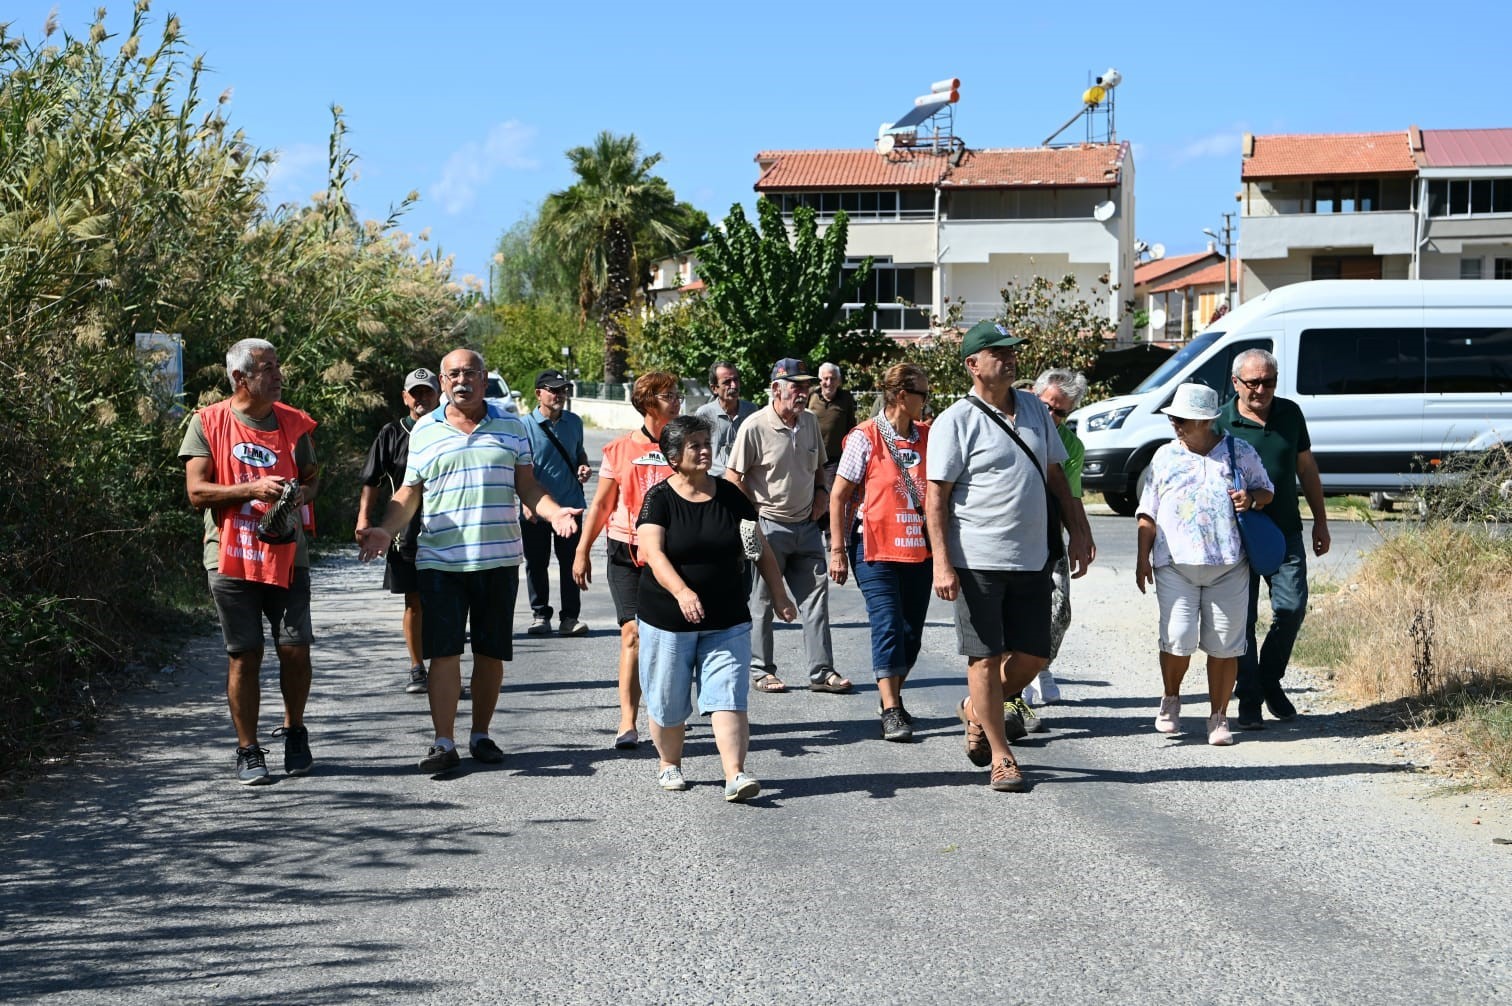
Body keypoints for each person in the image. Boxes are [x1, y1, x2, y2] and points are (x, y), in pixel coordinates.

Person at [357, 349, 582, 774]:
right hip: (440, 560)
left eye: (471, 373)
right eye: (454, 374)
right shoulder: (424, 430)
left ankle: (480, 734)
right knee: (443, 654)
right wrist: (386, 529)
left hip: (498, 559)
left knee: (490, 651)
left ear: (483, 379)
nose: (462, 380)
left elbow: (528, 486)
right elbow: (409, 492)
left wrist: (554, 512)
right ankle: (444, 742)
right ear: (443, 382)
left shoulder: (512, 426)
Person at [925, 321, 1094, 792]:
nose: (1010, 358)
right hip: (977, 558)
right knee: (984, 656)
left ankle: (975, 710)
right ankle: (1002, 755)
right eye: (998, 352)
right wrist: (941, 560)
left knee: (1035, 656)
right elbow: (935, 497)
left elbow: (1057, 476)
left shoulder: (1038, 412)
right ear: (973, 365)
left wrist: (1078, 530)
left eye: (1012, 351)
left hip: (1034, 556)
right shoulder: (955, 420)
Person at [636, 415, 798, 801]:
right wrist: (681, 592)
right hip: (668, 619)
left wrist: (779, 594)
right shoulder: (659, 499)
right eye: (694, 445)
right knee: (669, 700)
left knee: (728, 695)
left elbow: (758, 548)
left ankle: (735, 775)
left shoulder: (730, 495)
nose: (705, 450)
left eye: (706, 443)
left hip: (727, 617)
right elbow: (652, 554)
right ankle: (669, 763)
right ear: (673, 456)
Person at [180, 338, 320, 785]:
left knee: (295, 649)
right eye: (268, 368)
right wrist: (251, 489)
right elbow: (197, 492)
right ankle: (248, 749)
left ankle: (295, 731)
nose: (279, 375)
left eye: (278, 365)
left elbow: (314, 481)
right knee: (245, 655)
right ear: (240, 377)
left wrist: (299, 495)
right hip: (228, 556)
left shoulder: (295, 424)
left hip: (287, 555)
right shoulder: (207, 422)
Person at [1135, 382, 1274, 747]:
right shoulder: (1164, 456)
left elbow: (1267, 489)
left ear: (1207, 421)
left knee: (1226, 645)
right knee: (1178, 638)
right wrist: (1141, 558)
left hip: (1229, 563)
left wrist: (1252, 498)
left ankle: (1218, 716)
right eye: (1174, 418)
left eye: (1184, 419)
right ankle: (1171, 697)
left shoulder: (1238, 451)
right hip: (1175, 563)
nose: (1176, 424)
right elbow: (1147, 511)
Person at [1217, 348, 1331, 729]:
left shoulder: (1290, 413)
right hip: (1236, 537)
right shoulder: (1221, 421)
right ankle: (1249, 696)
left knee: (1292, 607)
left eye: (1269, 381)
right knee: (1243, 619)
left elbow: (1306, 467)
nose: (1261, 389)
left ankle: (1269, 678)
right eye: (1253, 382)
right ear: (1236, 383)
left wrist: (1321, 520)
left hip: (1284, 530)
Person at [725, 357, 849, 695]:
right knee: (763, 600)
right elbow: (732, 478)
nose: (804, 391)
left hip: (806, 526)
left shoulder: (809, 421)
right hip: (769, 526)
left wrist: (822, 493)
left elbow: (820, 466)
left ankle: (821, 672)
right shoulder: (754, 426)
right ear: (776, 389)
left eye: (806, 385)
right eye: (797, 386)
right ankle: (762, 670)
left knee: (816, 599)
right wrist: (754, 513)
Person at [573, 372, 680, 749]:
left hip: (669, 553)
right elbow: (602, 503)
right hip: (625, 550)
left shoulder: (682, 447)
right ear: (649, 402)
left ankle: (665, 714)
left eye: (677, 393)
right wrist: (582, 550)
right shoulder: (618, 450)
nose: (678, 399)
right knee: (632, 633)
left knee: (666, 638)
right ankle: (627, 722)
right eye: (669, 395)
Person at [828, 362, 932, 742]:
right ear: (902, 396)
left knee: (911, 633)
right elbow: (838, 495)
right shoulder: (865, 437)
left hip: (920, 549)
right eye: (923, 393)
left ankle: (894, 696)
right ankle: (890, 708)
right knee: (887, 624)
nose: (927, 400)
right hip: (874, 548)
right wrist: (837, 549)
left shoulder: (927, 435)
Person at [356, 367, 440, 695]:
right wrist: (364, 520)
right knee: (415, 601)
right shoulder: (392, 433)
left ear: (438, 394)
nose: (422, 398)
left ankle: (447, 669)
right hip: (405, 534)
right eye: (415, 393)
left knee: (449, 603)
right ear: (405, 397)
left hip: (449, 531)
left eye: (427, 392)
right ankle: (418, 667)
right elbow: (371, 480)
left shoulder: (450, 430)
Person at [1021, 368, 1090, 707]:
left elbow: (1072, 496)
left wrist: (1081, 535)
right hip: (1013, 537)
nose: (1052, 415)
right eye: (1047, 406)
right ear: (1035, 398)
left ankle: (1040, 665)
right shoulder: (1013, 426)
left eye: (1060, 411)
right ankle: (1019, 681)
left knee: (1059, 610)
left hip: (1049, 535)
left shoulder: (1071, 445)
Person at [520, 369, 592, 638]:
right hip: (536, 509)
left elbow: (578, 453)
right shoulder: (524, 426)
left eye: (563, 389)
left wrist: (583, 466)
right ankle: (540, 615)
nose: (559, 394)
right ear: (539, 393)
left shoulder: (574, 422)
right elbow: (517, 467)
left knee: (571, 562)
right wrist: (526, 502)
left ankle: (570, 617)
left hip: (571, 504)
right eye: (553, 389)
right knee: (536, 563)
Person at [693, 360, 757, 478]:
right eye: (727, 382)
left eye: (736, 380)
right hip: (715, 483)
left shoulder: (751, 411)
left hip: (746, 483)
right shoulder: (704, 414)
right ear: (714, 388)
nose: (734, 385)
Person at [808, 362, 858, 489]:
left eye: (833, 378)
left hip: (833, 458)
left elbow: (851, 427)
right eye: (825, 378)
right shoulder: (811, 396)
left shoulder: (846, 398)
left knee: (829, 494)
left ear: (839, 381)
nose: (829, 382)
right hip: (810, 456)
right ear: (820, 380)